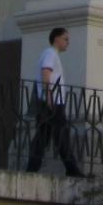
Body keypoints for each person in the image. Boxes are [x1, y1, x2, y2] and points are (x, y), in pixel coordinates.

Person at [25, 26, 83, 177]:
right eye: (65, 39)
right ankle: (72, 169)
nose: (67, 42)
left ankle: (32, 168)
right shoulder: (50, 54)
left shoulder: (50, 54)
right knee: (60, 135)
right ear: (56, 38)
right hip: (53, 103)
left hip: (49, 102)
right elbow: (46, 73)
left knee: (43, 136)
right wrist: (49, 95)